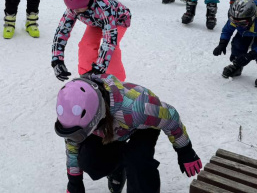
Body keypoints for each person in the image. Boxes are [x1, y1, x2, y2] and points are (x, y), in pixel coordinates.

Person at [55, 74, 202, 193]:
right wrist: (74, 183)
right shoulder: (74, 112)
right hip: (110, 128)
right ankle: (118, 168)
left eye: (78, 135)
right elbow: (73, 146)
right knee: (89, 161)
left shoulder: (136, 108)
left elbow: (170, 116)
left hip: (141, 127)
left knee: (138, 162)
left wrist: (185, 150)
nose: (74, 139)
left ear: (95, 118)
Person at [52, 0, 131, 82]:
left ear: (88, 0)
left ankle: (116, 82)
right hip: (96, 22)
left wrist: (99, 69)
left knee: (112, 51)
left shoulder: (103, 7)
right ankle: (86, 76)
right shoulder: (74, 8)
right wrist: (57, 60)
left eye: (78, 8)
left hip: (117, 21)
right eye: (72, 8)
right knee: (86, 45)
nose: (75, 11)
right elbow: (62, 31)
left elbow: (109, 41)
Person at [213, 0, 257, 88]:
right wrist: (222, 43)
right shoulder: (236, 17)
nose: (238, 25)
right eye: (234, 22)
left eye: (242, 22)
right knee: (238, 43)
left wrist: (250, 56)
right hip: (248, 28)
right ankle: (237, 65)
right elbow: (227, 30)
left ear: (252, 17)